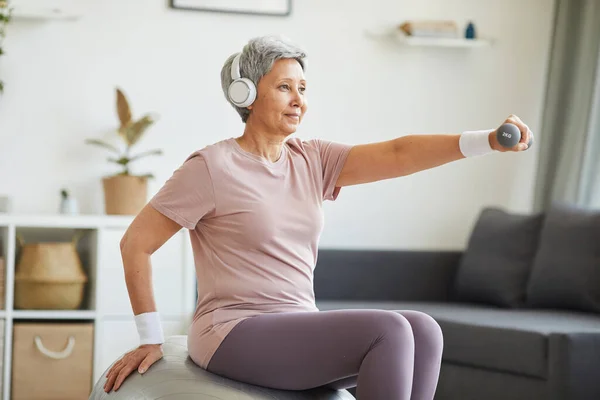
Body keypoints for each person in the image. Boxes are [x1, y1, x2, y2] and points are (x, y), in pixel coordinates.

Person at [103, 35, 533, 399]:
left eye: (304, 89)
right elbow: (134, 244)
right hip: (233, 330)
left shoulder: (313, 160)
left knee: (424, 330)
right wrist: (149, 337)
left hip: (297, 321)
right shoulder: (211, 167)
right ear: (246, 95)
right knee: (391, 330)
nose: (299, 101)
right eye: (285, 88)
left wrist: (488, 141)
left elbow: (399, 153)